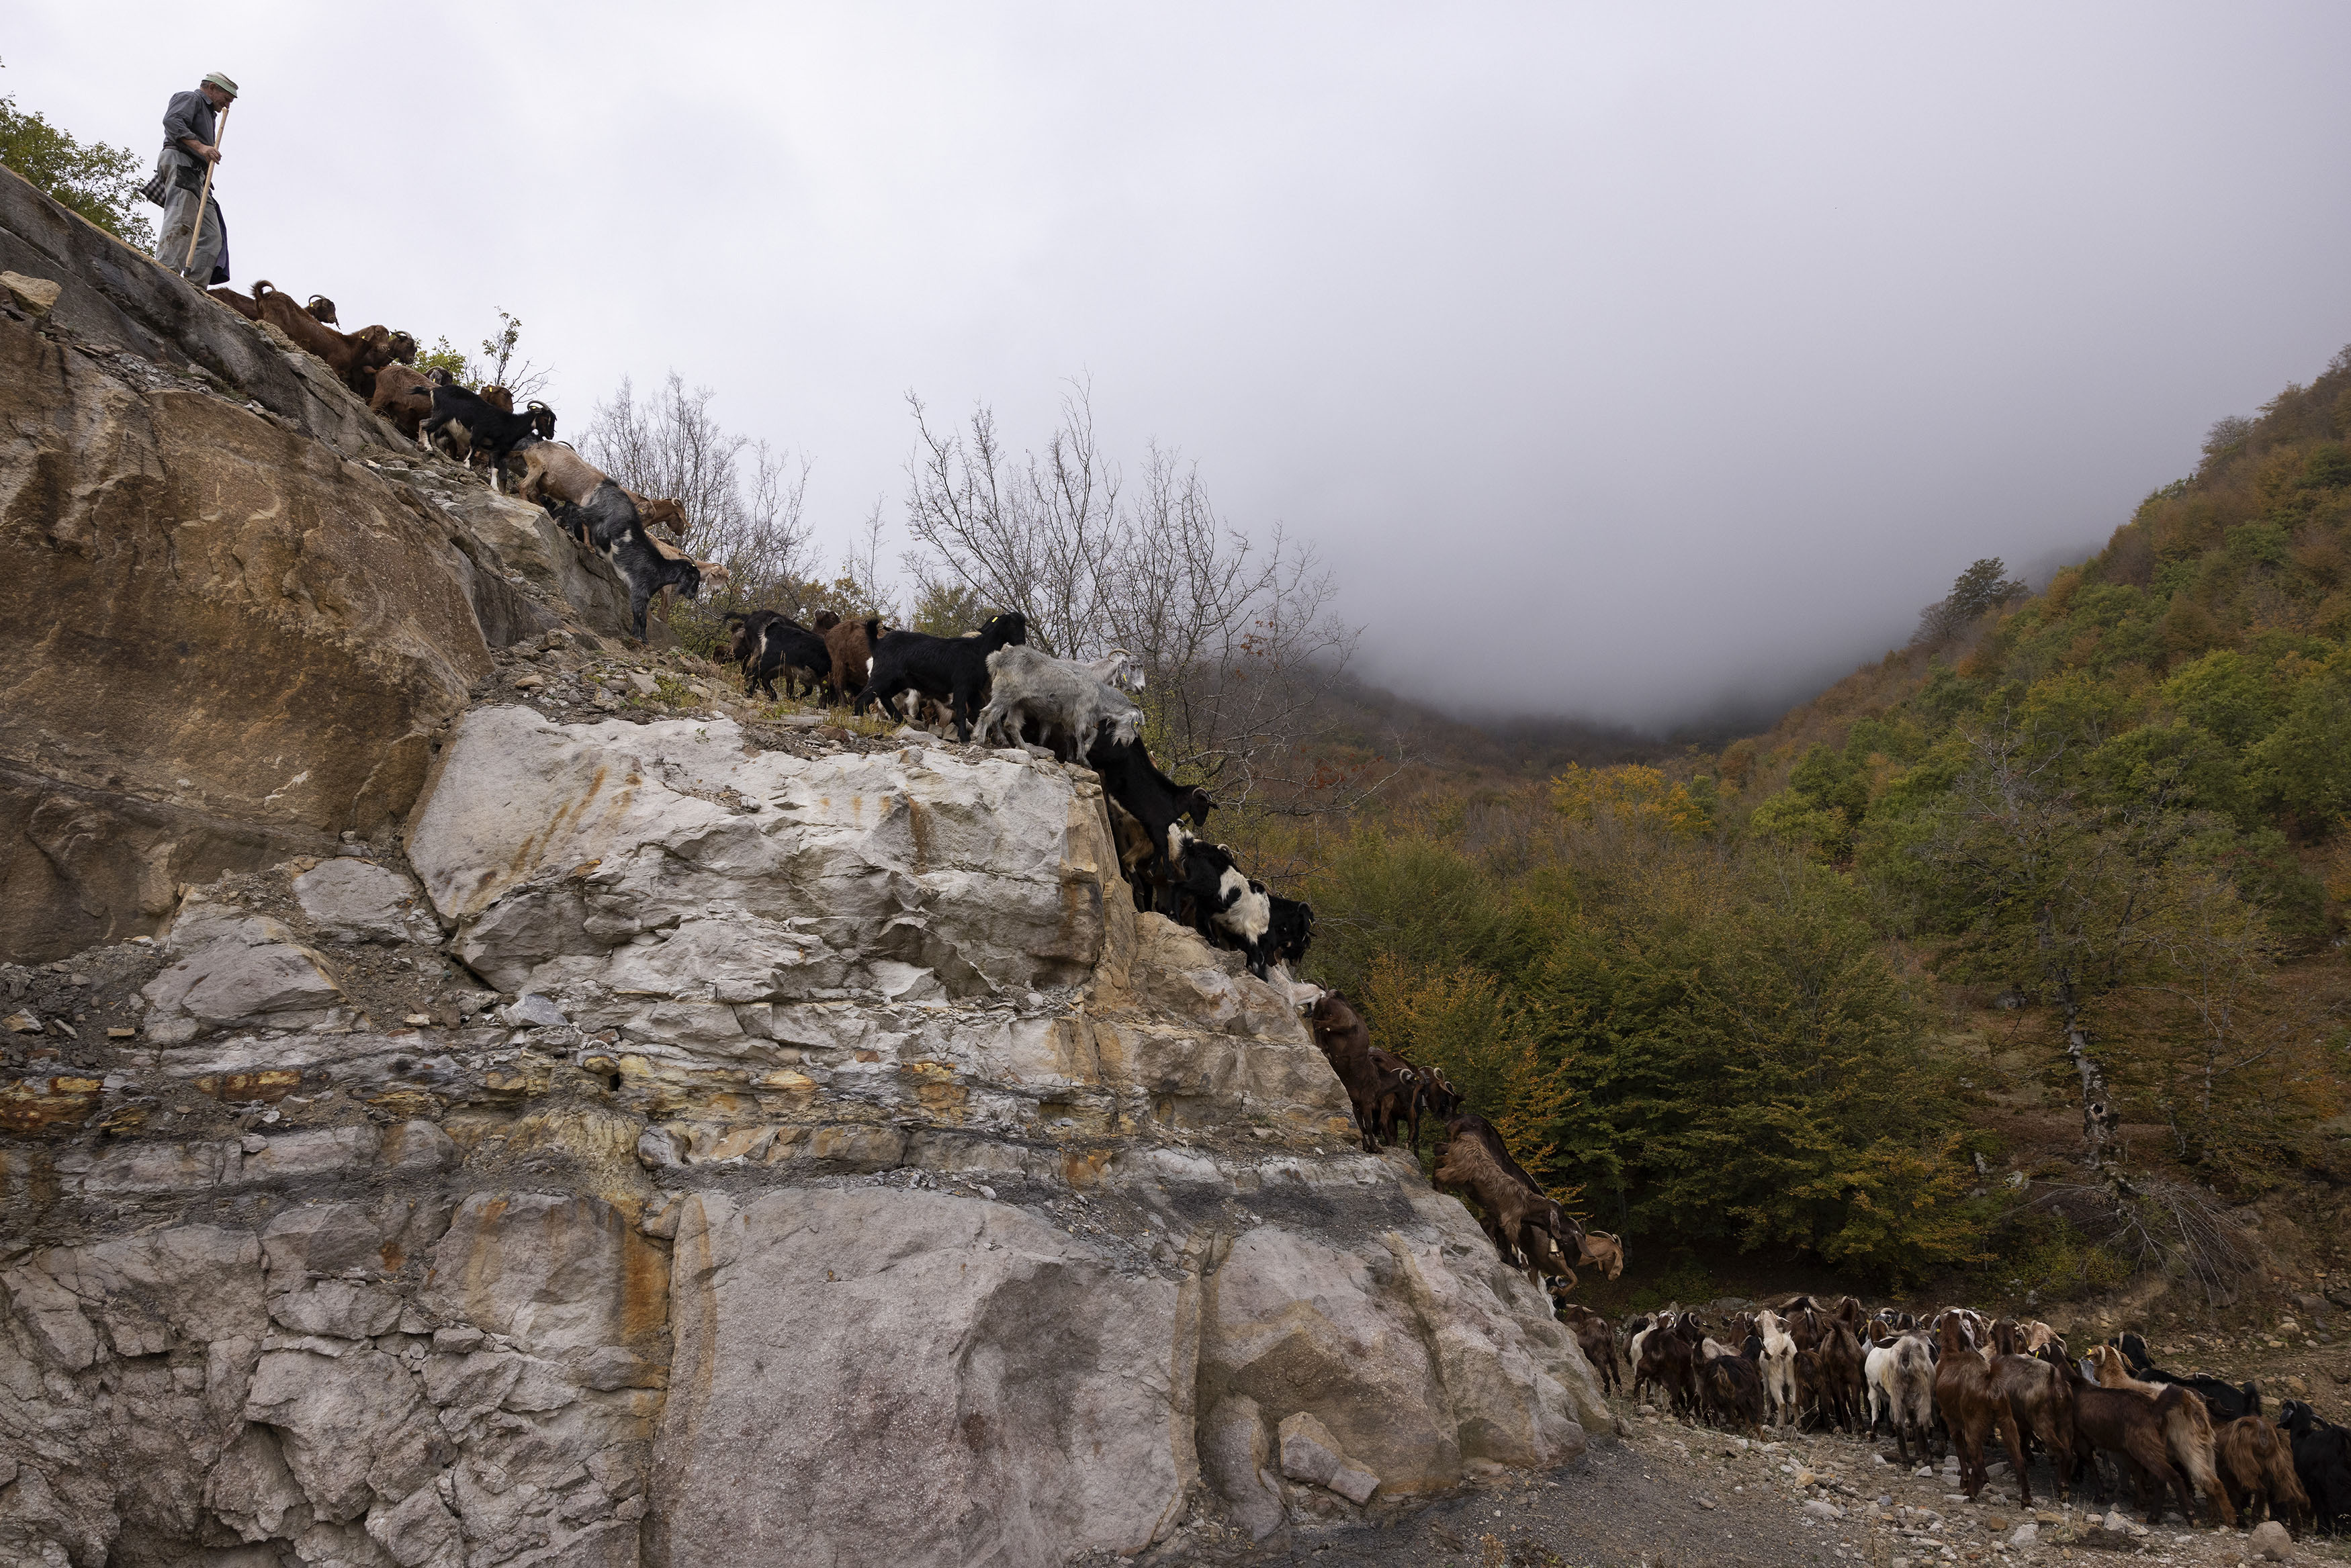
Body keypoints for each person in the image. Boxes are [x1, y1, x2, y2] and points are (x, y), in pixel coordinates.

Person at [152, 72, 238, 284]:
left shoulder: (210, 114)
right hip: (182, 163)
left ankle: (194, 287)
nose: (227, 104)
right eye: (226, 98)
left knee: (211, 236)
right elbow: (172, 121)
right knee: (182, 220)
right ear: (211, 88)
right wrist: (201, 147)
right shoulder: (191, 98)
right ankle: (165, 273)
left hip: (198, 176)